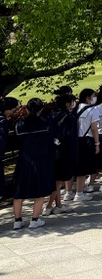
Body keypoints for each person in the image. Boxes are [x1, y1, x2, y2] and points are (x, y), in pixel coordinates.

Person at [11, 99, 57, 230]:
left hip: (24, 161)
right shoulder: (46, 123)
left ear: (26, 109)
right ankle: (34, 220)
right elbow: (51, 141)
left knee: (19, 192)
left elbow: (17, 142)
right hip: (41, 161)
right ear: (41, 109)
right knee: (39, 191)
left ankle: (17, 220)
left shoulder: (19, 125)